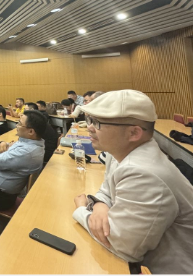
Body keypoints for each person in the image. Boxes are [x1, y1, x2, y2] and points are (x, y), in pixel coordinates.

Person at [72, 90, 193, 274]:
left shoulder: (143, 173)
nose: (89, 127)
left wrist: (81, 209)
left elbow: (121, 245)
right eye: (89, 120)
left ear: (134, 132)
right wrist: (99, 205)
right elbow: (106, 190)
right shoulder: (120, 152)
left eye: (97, 123)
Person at [0, 110, 46, 210]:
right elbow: (12, 146)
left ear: (31, 132)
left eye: (19, 123)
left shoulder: (27, 152)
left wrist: (3, 151)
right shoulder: (32, 142)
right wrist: (5, 144)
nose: (16, 126)